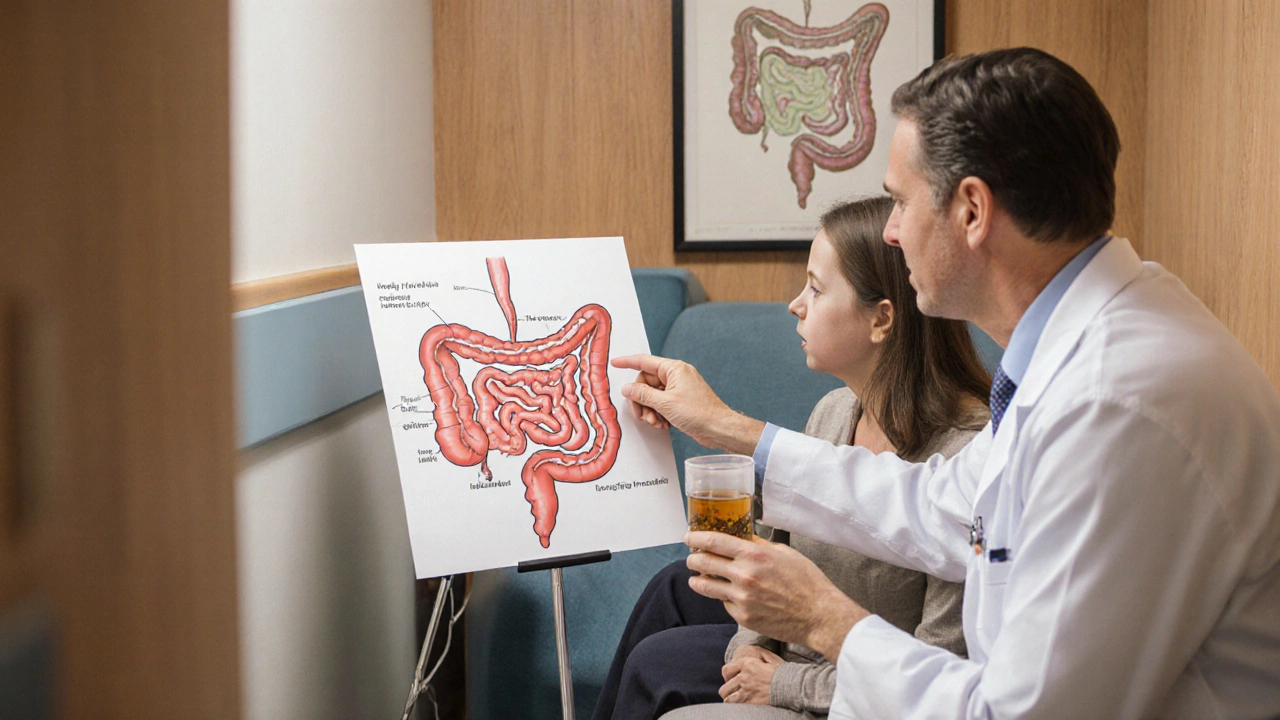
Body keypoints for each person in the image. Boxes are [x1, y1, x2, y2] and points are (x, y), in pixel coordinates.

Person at [615, 47, 1280, 719]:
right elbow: (941, 504)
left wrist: (826, 620)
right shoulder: (1086, 348)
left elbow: (1015, 715)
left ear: (971, 211)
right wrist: (721, 425)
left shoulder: (1117, 405)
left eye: (901, 202)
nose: (894, 233)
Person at [592, 196, 991, 720]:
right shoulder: (834, 412)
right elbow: (775, 557)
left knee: (658, 664)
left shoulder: (967, 455)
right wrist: (745, 653)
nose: (795, 305)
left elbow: (938, 666)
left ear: (881, 320)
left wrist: (784, 682)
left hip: (848, 670)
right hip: (793, 646)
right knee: (670, 587)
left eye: (816, 288)